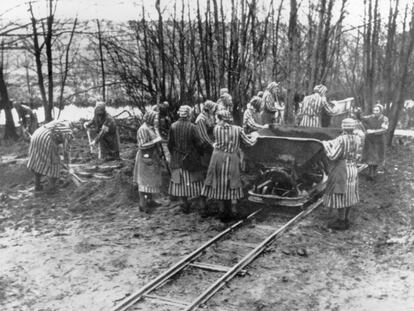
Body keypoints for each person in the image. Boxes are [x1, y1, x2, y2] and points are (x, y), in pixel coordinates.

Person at [202, 110, 258, 222]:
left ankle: (222, 210)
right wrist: (255, 136)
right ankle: (234, 210)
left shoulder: (216, 129)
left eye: (218, 119)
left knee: (219, 183)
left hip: (217, 158)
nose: (217, 121)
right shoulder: (238, 129)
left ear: (222, 119)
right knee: (233, 183)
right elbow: (249, 143)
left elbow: (220, 139)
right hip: (231, 158)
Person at [322, 118, 361, 230]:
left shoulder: (341, 139)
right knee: (349, 194)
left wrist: (325, 145)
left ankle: (341, 222)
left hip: (342, 169)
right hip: (352, 168)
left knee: (341, 194)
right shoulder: (357, 138)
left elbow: (333, 156)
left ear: (343, 127)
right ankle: (346, 219)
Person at [168, 105, 205, 214]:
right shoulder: (192, 127)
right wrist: (200, 153)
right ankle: (202, 207)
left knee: (179, 183)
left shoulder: (173, 126)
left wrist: (174, 154)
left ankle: (184, 204)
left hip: (177, 160)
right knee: (197, 183)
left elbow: (170, 144)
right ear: (189, 115)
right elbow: (199, 143)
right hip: (191, 160)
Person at [27, 120, 73, 193]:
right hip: (46, 139)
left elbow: (59, 144)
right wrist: (69, 166)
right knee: (54, 162)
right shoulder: (68, 131)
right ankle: (52, 188)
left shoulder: (57, 123)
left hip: (35, 136)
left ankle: (37, 185)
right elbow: (66, 150)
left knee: (37, 161)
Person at [133, 110, 163, 212]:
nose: (156, 121)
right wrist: (155, 141)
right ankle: (142, 204)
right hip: (144, 157)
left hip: (152, 156)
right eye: (154, 118)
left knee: (151, 181)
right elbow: (142, 145)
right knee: (144, 183)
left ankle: (150, 200)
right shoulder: (143, 129)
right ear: (149, 118)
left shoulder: (152, 128)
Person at [360, 104, 389, 180]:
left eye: (377, 110)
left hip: (379, 141)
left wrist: (373, 131)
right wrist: (358, 112)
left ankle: (374, 172)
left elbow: (384, 129)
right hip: (370, 140)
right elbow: (362, 118)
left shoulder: (384, 119)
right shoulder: (370, 117)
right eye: (374, 110)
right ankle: (370, 173)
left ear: (381, 111)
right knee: (370, 157)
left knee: (377, 157)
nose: (375, 112)